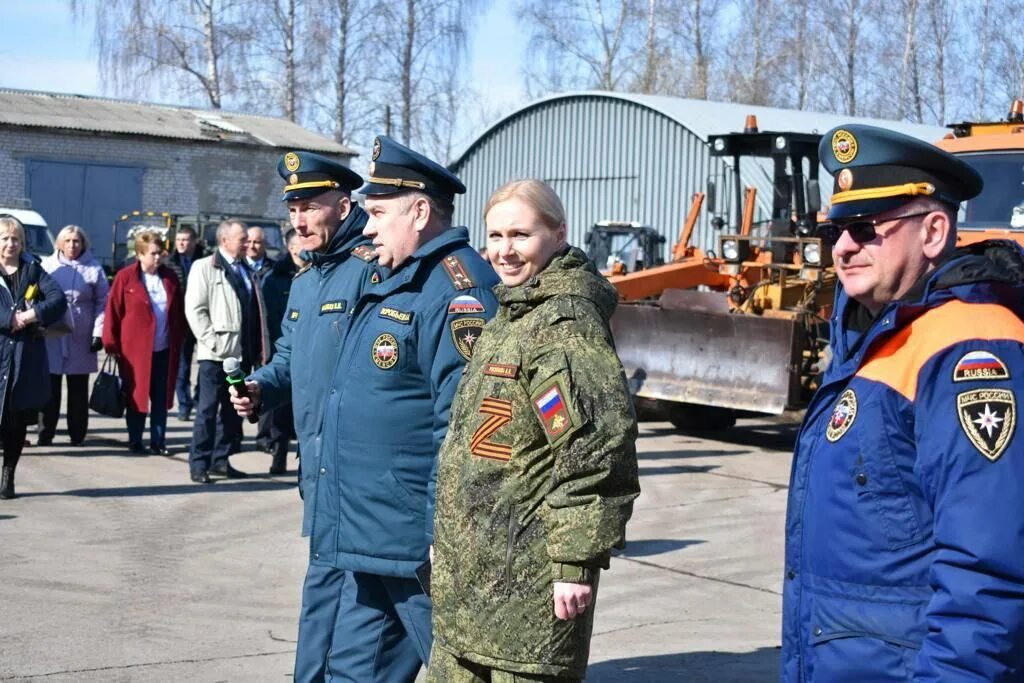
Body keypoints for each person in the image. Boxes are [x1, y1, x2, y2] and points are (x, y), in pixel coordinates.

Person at [235, 137, 500, 681]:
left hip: (404, 519)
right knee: (343, 651)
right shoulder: (329, 277)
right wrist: (264, 386)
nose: (299, 218)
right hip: (348, 494)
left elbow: (462, 425)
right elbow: (307, 363)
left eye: (378, 213)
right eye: (293, 208)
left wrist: (442, 524)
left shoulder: (421, 280)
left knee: (457, 659)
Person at [781, 125, 1024, 681]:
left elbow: (987, 574)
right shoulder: (870, 340)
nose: (842, 247)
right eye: (836, 231)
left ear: (934, 231)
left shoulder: (970, 348)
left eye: (866, 229)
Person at [428, 180, 640, 682]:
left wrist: (573, 564)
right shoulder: (514, 314)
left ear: (558, 233)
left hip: (528, 589)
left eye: (521, 234)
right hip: (472, 583)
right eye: (495, 236)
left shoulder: (563, 325)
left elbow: (595, 450)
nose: (504, 251)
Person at [185, 219, 268, 484]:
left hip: (241, 356)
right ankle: (199, 463)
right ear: (224, 241)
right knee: (207, 411)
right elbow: (195, 311)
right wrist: (214, 344)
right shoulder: (205, 267)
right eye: (242, 239)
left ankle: (221, 459)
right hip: (216, 357)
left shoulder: (245, 268)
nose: (247, 243)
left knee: (232, 413)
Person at [0, 215, 67, 498]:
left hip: (24, 359)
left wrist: (30, 315)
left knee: (15, 423)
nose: (10, 244)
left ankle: (8, 474)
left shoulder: (33, 270)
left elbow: (58, 300)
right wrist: (8, 319)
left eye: (15, 239)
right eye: (4, 238)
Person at [103, 230, 186, 455]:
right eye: (153, 254)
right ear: (140, 254)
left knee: (160, 398)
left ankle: (159, 441)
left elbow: (178, 311)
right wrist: (110, 343)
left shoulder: (169, 278)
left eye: (160, 253)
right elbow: (113, 311)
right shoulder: (125, 277)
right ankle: (135, 439)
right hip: (134, 351)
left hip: (164, 349)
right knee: (136, 396)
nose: (157, 258)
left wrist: (181, 338)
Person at [38, 225, 109, 447]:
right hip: (54, 333)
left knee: (78, 388)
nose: (72, 245)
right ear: (60, 243)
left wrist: (98, 332)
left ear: (83, 243)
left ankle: (77, 433)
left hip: (81, 334)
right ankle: (45, 432)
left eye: (76, 241)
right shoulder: (48, 266)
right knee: (50, 386)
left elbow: (102, 303)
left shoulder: (94, 268)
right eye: (67, 241)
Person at [257, 228, 306, 474]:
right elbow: (270, 318)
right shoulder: (276, 276)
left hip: (308, 352)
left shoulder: (315, 272)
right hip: (283, 349)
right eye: (297, 244)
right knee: (281, 411)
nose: (302, 248)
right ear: (290, 247)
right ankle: (278, 454)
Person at [166, 225, 204, 421]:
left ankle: (199, 398)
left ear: (194, 241)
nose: (181, 243)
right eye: (179, 239)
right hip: (181, 322)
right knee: (183, 366)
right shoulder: (170, 263)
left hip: (203, 320)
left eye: (185, 239)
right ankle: (184, 403)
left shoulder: (205, 261)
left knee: (205, 363)